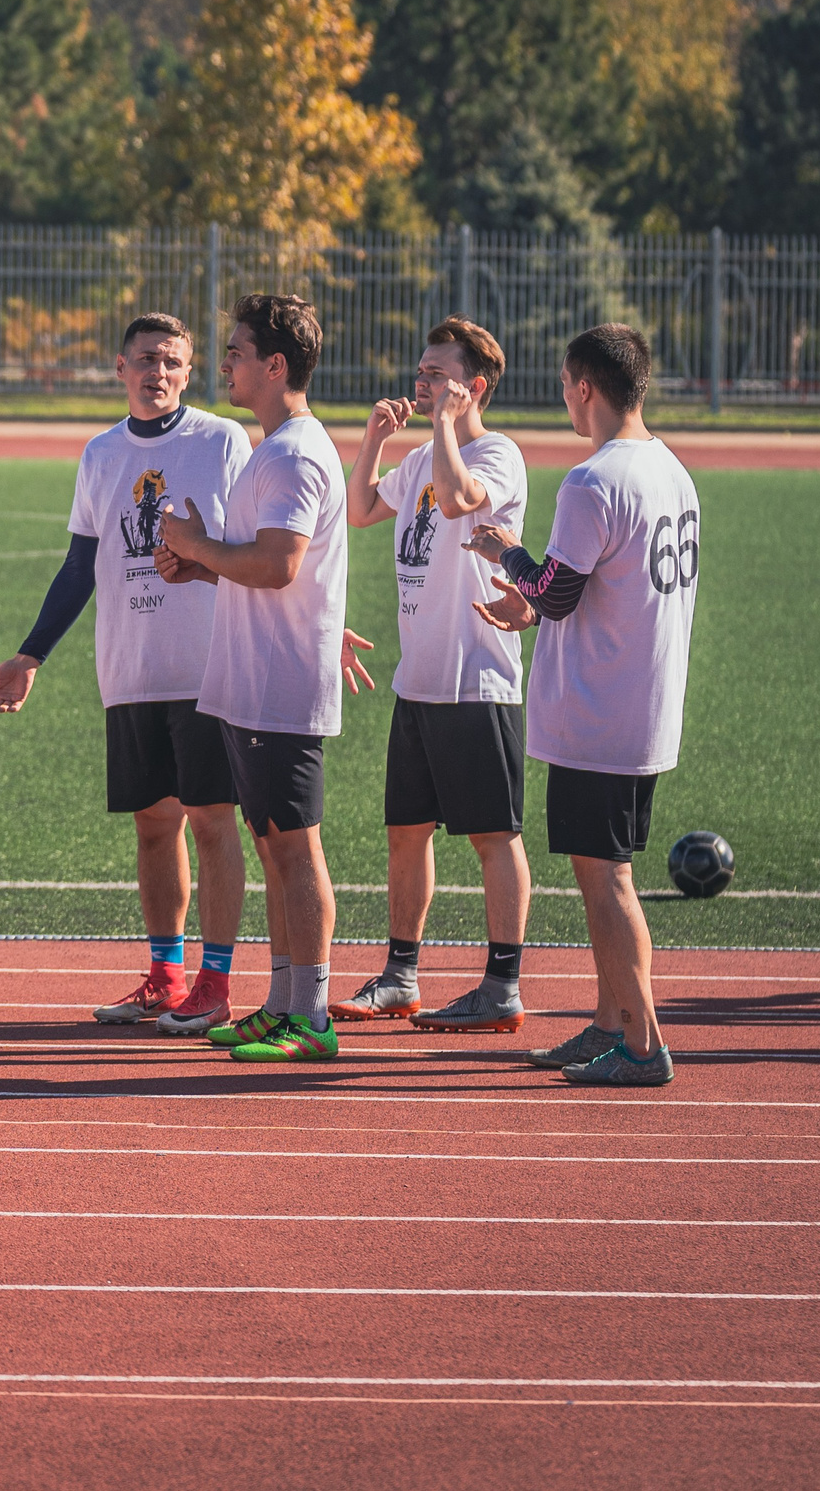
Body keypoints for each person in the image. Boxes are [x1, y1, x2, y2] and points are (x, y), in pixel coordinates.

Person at [0, 314, 254, 1035]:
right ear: (121, 368)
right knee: (154, 825)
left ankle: (215, 983)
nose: (158, 371)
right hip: (130, 670)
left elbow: (261, 544)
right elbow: (79, 568)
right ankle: (165, 977)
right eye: (146, 360)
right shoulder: (100, 453)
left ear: (189, 373)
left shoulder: (223, 440)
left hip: (207, 668)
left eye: (172, 361)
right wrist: (30, 653)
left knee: (214, 821)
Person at [465, 323, 697, 1087]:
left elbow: (558, 592)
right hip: (642, 706)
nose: (564, 396)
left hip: (598, 713)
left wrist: (508, 555)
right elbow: (603, 587)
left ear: (585, 386)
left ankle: (643, 1040)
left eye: (566, 383)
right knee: (611, 872)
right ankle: (608, 1023)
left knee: (608, 882)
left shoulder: (593, 480)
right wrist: (529, 600)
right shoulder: (669, 469)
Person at [157, 293, 368, 1065]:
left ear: (276, 365)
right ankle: (282, 1004)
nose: (228, 364)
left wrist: (196, 544)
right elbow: (261, 567)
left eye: (239, 351)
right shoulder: (273, 448)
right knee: (275, 841)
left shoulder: (293, 453)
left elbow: (278, 565)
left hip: (279, 683)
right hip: (254, 677)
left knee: (295, 847)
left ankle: (310, 1016)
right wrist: (199, 564)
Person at [337, 318, 533, 1035]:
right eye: (420, 373)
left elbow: (458, 502)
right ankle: (400, 975)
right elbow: (359, 510)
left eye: (437, 376)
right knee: (405, 832)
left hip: (474, 677)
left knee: (491, 835)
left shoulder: (497, 453)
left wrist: (448, 425)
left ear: (474, 386)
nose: (421, 385)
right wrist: (374, 440)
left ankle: (502, 984)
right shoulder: (420, 456)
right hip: (418, 681)